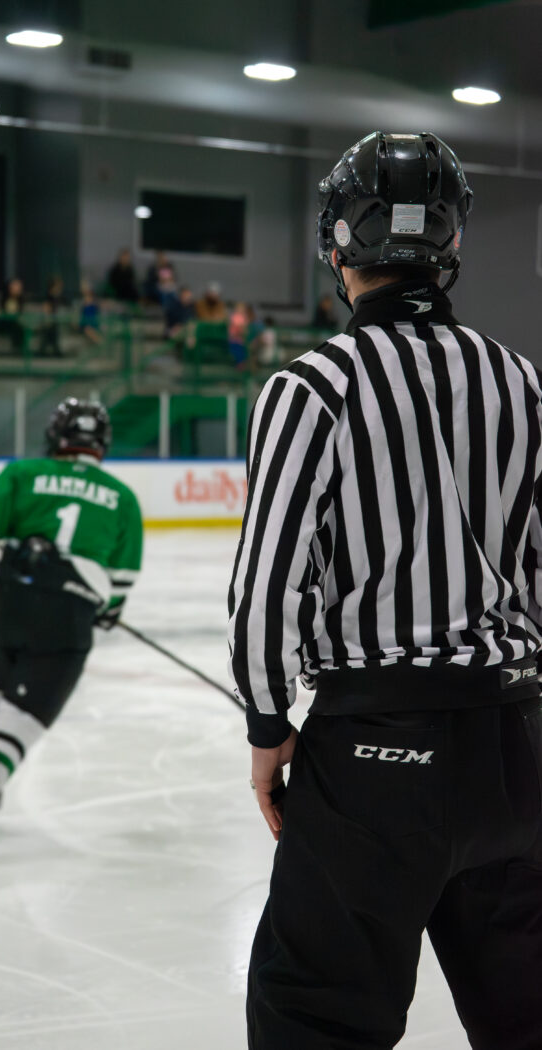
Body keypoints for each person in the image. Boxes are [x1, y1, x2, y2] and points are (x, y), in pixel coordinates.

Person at [228, 131, 542, 1050]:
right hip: (515, 748)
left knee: (315, 1015)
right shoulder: (522, 385)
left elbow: (267, 584)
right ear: (452, 245)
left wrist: (266, 728)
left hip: (374, 758)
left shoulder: (313, 387)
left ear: (337, 244)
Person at [0, 398, 143, 855]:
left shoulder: (23, 473)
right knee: (28, 712)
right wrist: (107, 608)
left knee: (10, 698)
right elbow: (119, 586)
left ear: (56, 437)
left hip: (9, 600)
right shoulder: (123, 498)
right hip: (66, 614)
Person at [39, 276, 66, 357]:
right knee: (51, 327)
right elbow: (46, 309)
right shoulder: (47, 297)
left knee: (54, 328)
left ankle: (50, 349)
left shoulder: (60, 298)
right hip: (48, 321)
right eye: (58, 287)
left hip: (56, 321)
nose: (60, 289)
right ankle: (47, 350)